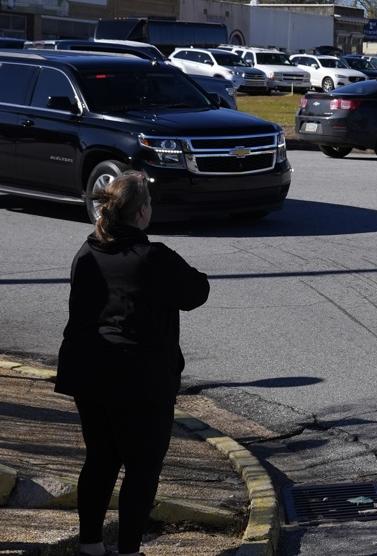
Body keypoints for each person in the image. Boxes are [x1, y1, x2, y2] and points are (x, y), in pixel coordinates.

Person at [54, 172, 209, 556]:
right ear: (141, 213)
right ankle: (127, 550)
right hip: (141, 381)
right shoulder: (153, 257)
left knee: (100, 460)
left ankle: (90, 544)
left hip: (90, 374)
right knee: (141, 469)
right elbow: (197, 291)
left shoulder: (87, 251)